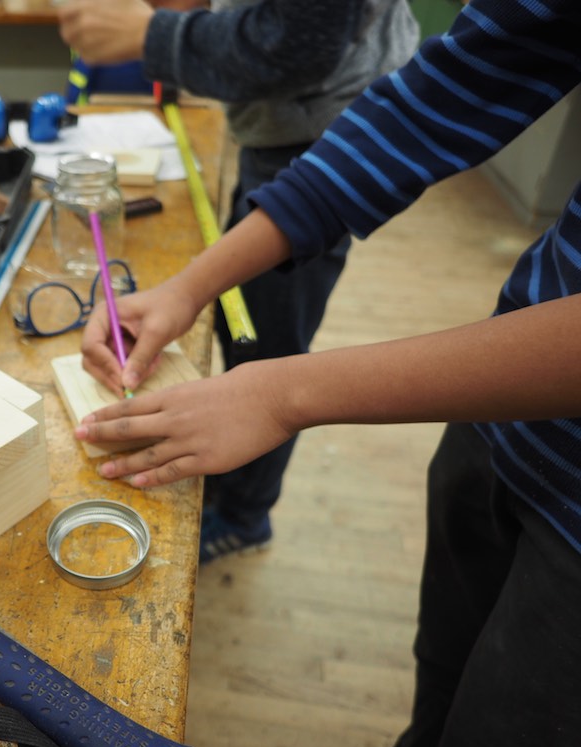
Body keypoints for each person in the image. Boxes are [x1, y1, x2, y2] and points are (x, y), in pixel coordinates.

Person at [73, 0, 581, 747]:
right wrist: (191, 286)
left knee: (505, 737)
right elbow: (442, 98)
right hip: (498, 416)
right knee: (447, 677)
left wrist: (285, 393)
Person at [57, 0, 420, 562]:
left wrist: (156, 35)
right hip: (299, 146)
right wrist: (185, 290)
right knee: (244, 334)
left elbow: (297, 43)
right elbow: (327, 184)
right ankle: (233, 483)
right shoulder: (334, 166)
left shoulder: (370, 123)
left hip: (318, 130)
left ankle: (244, 517)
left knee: (268, 344)